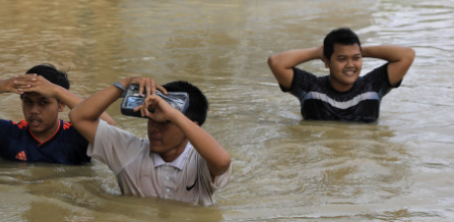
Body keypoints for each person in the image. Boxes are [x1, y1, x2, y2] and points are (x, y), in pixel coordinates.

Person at [69, 77, 231, 205]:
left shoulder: (200, 161)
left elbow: (223, 161)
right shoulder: (128, 149)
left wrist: (173, 114)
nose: (154, 128)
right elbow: (79, 117)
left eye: (165, 122)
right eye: (152, 117)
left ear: (189, 128)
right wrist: (124, 85)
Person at [0, 64, 115, 165]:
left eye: (43, 102)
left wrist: (56, 90)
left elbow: (112, 130)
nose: (34, 110)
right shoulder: (9, 133)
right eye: (27, 101)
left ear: (61, 105)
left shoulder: (78, 135)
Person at [267, 28, 416, 123]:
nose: (350, 65)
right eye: (342, 59)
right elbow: (276, 62)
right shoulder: (311, 88)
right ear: (327, 62)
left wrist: (360, 50)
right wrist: (318, 51)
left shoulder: (372, 85)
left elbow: (407, 55)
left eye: (356, 58)